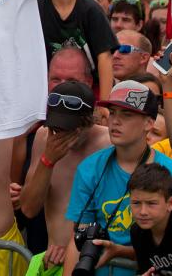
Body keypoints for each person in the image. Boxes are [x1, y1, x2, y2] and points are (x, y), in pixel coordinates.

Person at [63, 80, 172, 276]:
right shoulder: (90, 168)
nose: (115, 121)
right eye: (113, 112)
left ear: (149, 123)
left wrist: (124, 253)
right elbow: (77, 240)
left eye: (127, 114)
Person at [18, 77, 109, 268]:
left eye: (69, 129)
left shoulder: (108, 145)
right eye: (57, 127)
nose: (61, 136)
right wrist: (48, 161)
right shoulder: (45, 137)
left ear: (89, 120)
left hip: (94, 263)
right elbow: (28, 208)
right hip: (53, 261)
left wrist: (73, 248)